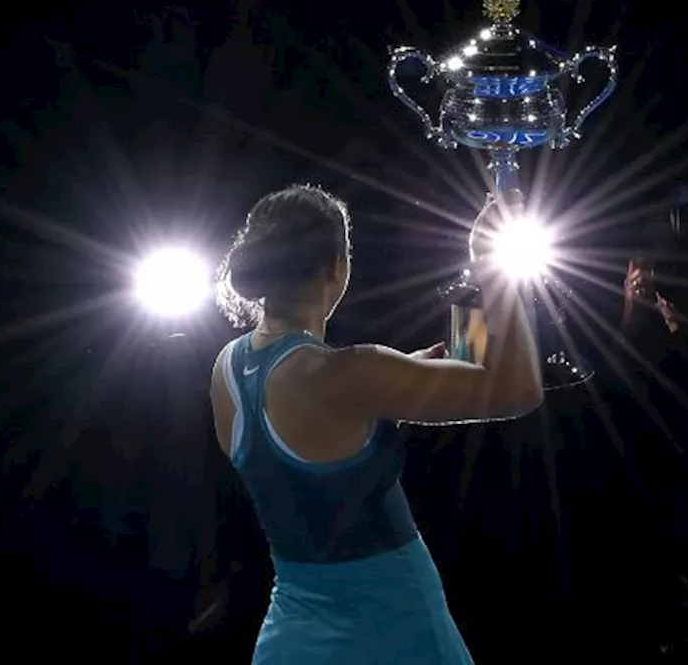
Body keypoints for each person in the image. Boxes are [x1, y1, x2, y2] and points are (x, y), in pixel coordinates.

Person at [208, 184, 543, 663]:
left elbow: (317, 440)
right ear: (335, 268)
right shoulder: (352, 374)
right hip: (397, 629)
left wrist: (394, 380)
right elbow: (519, 389)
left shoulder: (226, 367)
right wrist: (494, 268)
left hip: (294, 641)